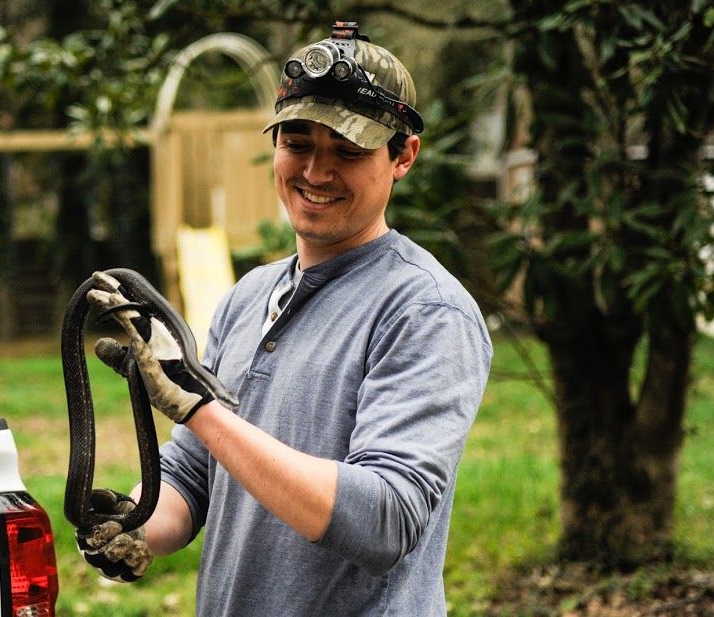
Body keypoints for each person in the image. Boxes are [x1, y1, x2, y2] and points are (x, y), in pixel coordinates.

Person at [80, 21, 493, 616]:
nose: (316, 173)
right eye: (298, 145)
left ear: (403, 155)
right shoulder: (248, 296)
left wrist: (199, 408)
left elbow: (386, 519)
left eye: (347, 152)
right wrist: (138, 524)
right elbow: (196, 472)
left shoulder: (425, 310)